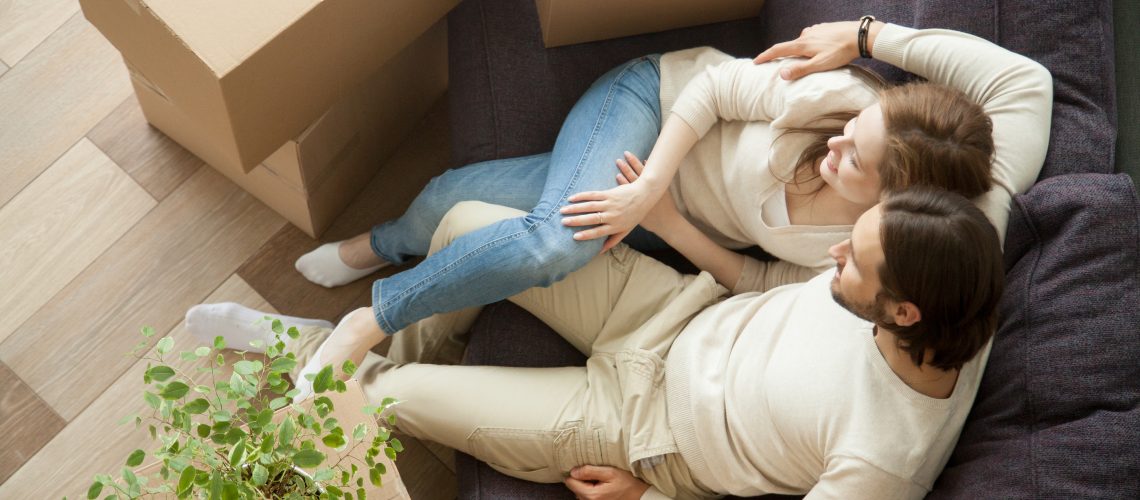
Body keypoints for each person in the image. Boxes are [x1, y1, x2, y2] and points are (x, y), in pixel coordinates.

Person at [188, 185, 1005, 499]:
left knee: (384, 402)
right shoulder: (950, 274)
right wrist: (663, 219)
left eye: (853, 260)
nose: (832, 254)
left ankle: (331, 358)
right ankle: (348, 346)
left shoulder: (884, 461)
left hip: (648, 430)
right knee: (468, 226)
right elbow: (1021, 88)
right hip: (672, 313)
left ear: (903, 315)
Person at [289, 19, 1051, 345]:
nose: (838, 146)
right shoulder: (840, 101)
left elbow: (761, 280)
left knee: (455, 198)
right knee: (556, 242)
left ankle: (387, 253)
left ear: (890, 201)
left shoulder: (871, 246)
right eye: (853, 132)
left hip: (662, 207)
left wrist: (669, 221)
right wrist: (867, 38)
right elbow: (712, 91)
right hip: (649, 110)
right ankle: (377, 291)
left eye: (855, 161)